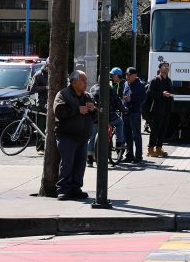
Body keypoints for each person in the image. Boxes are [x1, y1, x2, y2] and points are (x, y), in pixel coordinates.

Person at [53, 70, 96, 201]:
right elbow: (59, 111)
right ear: (74, 82)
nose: (86, 83)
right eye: (83, 81)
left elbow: (96, 117)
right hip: (67, 136)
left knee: (80, 164)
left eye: (86, 81)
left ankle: (76, 188)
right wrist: (77, 110)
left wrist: (93, 109)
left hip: (82, 136)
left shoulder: (88, 96)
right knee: (67, 163)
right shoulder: (63, 94)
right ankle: (63, 189)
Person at [87, 68, 127, 167]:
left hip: (95, 117)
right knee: (120, 122)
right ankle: (119, 144)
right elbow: (118, 102)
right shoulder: (110, 89)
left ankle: (89, 158)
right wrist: (124, 109)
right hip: (109, 117)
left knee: (92, 136)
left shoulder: (92, 89)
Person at [145, 62, 173, 158]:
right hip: (157, 109)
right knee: (155, 130)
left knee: (163, 130)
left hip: (166, 109)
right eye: (164, 66)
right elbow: (149, 92)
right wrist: (162, 94)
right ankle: (150, 149)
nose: (167, 68)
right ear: (160, 69)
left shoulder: (169, 80)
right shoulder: (155, 80)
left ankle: (159, 148)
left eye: (168, 67)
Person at [123, 67, 146, 164]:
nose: (127, 76)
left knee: (136, 134)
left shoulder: (140, 85)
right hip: (125, 112)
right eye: (126, 74)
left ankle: (138, 156)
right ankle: (129, 155)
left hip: (135, 112)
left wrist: (131, 99)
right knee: (127, 134)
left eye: (129, 75)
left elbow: (143, 98)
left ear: (135, 75)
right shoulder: (125, 83)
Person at [27, 62, 50, 153]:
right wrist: (45, 88)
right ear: (46, 65)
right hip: (42, 103)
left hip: (53, 102)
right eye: (49, 66)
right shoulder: (38, 75)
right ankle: (40, 147)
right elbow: (32, 89)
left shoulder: (55, 73)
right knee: (41, 125)